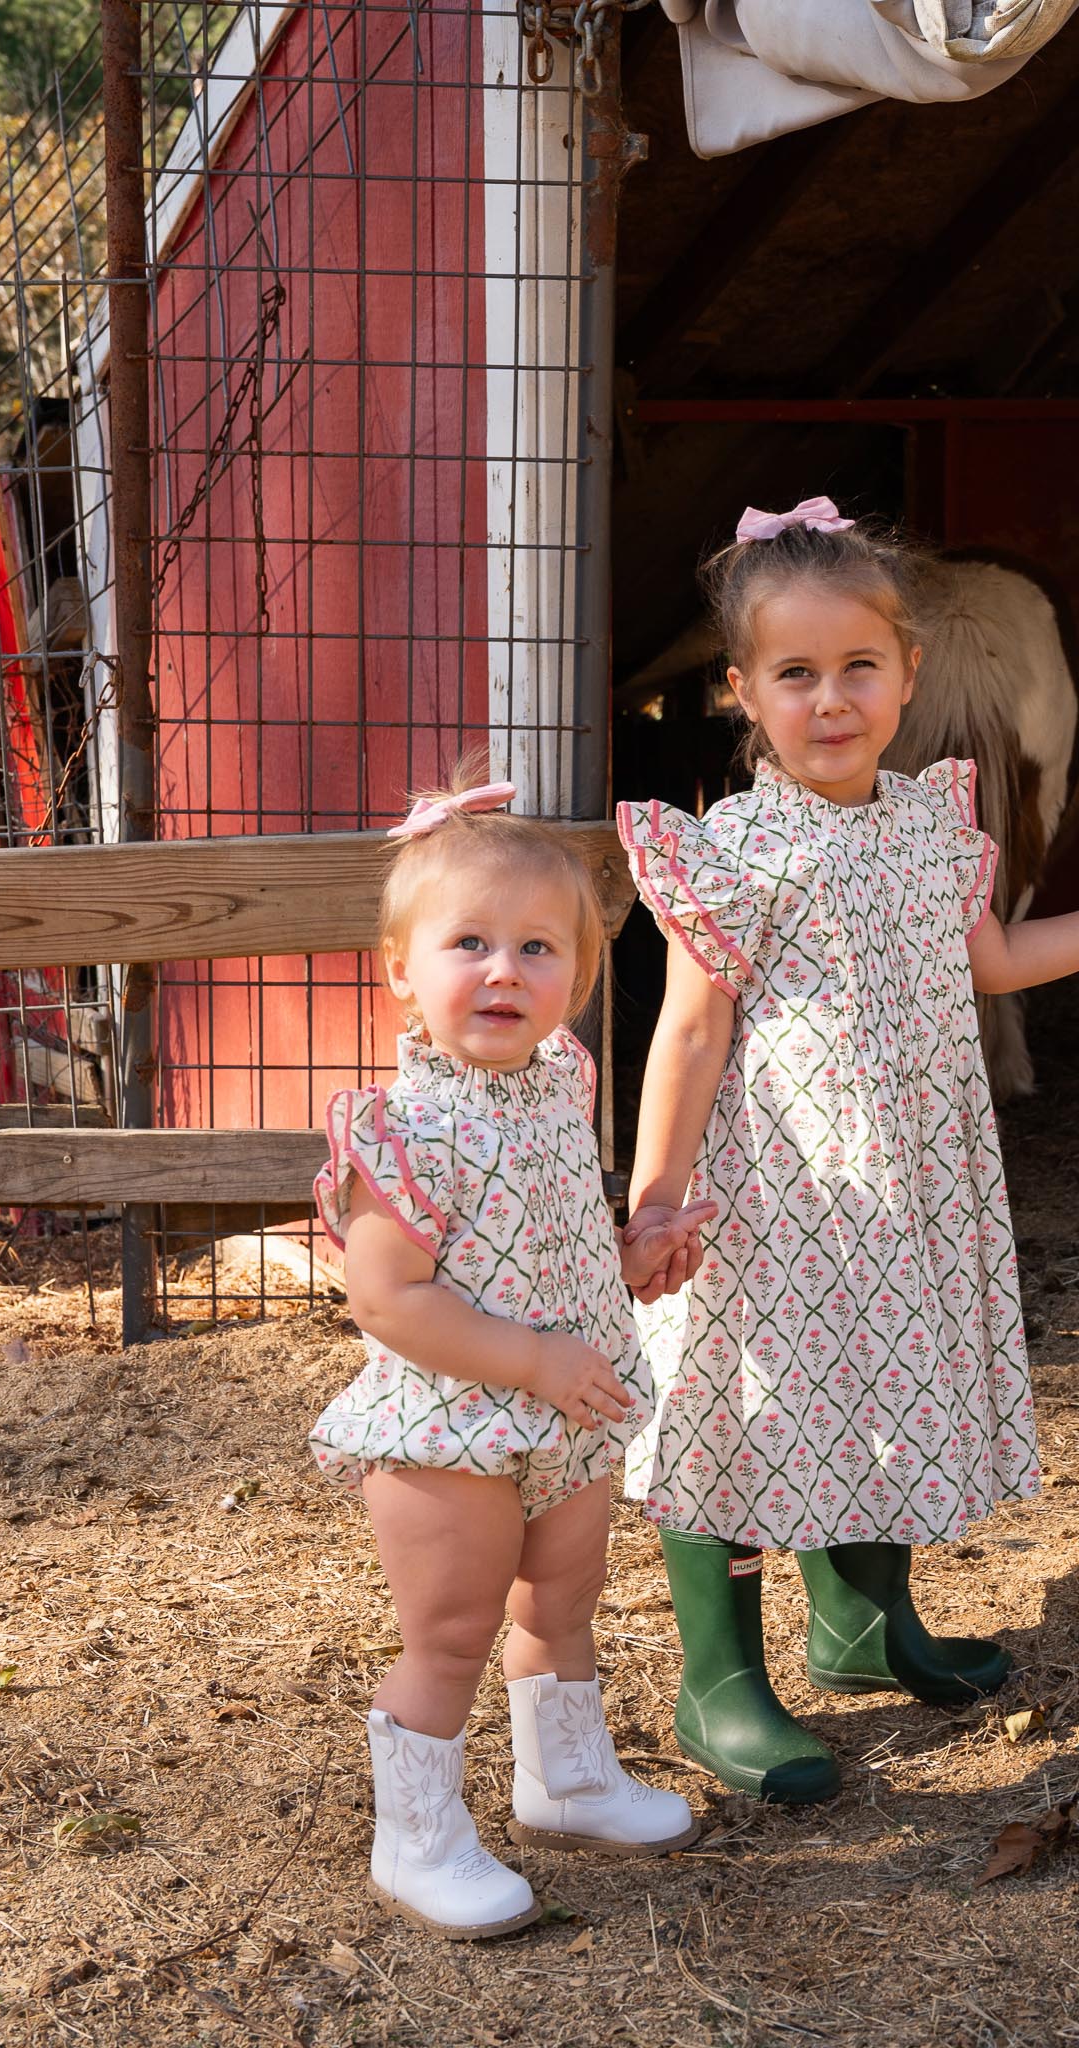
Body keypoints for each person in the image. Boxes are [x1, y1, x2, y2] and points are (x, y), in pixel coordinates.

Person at [616, 498, 1079, 1803]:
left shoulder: (934, 828)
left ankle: (860, 1625)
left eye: (856, 669)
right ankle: (718, 1678)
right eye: (793, 674)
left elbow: (1000, 962)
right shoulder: (731, 853)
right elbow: (686, 1035)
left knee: (882, 1385)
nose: (829, 700)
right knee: (737, 1408)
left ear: (907, 675)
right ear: (741, 692)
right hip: (772, 1195)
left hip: (907, 1185)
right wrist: (656, 1194)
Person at [310, 766, 713, 1937]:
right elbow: (390, 1300)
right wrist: (535, 1359)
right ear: (402, 972)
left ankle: (567, 1779)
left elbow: (549, 1235)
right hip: (451, 1424)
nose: (504, 969)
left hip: (565, 1409)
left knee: (565, 1597)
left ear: (579, 981)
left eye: (539, 948)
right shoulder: (398, 1127)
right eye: (470, 942)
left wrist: (631, 1259)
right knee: (453, 1627)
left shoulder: (559, 1084)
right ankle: (418, 1838)